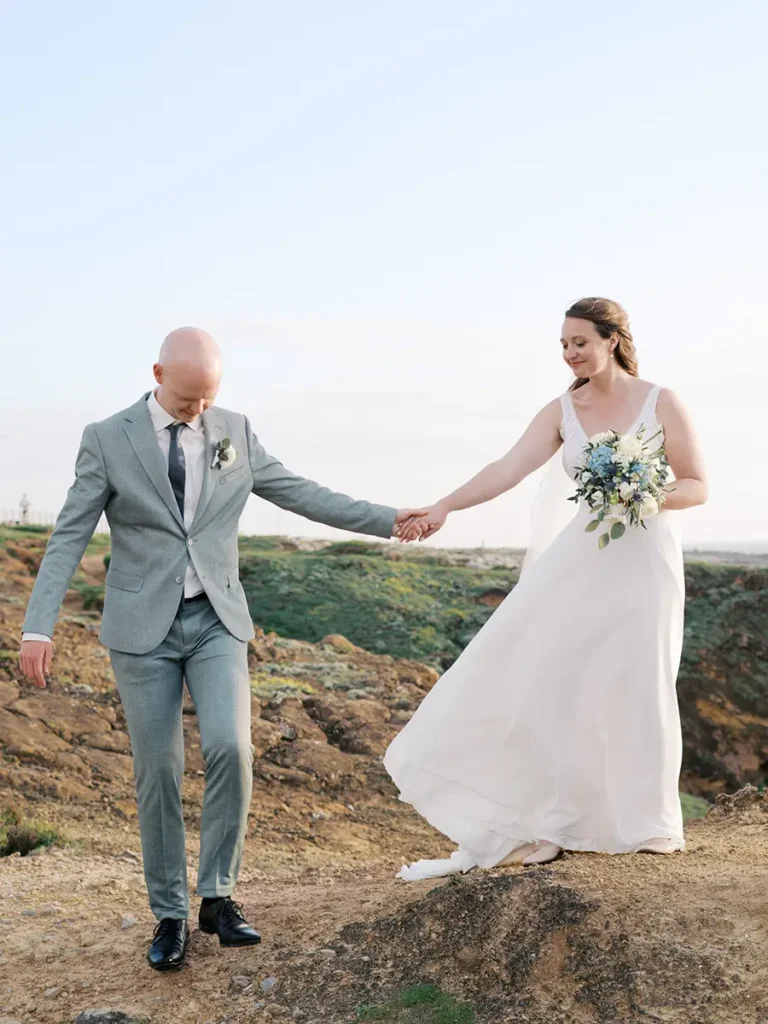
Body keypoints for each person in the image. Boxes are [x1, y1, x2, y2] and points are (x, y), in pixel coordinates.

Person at [19, 327, 428, 969]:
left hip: (217, 619)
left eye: (208, 400)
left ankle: (218, 897)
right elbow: (70, 533)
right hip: (140, 629)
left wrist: (389, 518)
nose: (198, 413)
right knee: (157, 770)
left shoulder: (234, 429)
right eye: (187, 402)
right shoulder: (106, 437)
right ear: (157, 374)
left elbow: (300, 492)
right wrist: (38, 627)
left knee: (232, 748)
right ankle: (170, 914)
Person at [386, 297, 708, 880]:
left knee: (639, 677)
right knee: (562, 682)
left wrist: (644, 494)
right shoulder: (562, 409)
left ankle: (652, 823)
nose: (569, 353)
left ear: (612, 339)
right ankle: (555, 824)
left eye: (579, 341)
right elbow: (506, 468)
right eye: (563, 344)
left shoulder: (661, 400)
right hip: (583, 559)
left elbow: (697, 484)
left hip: (647, 561)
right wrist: (444, 506)